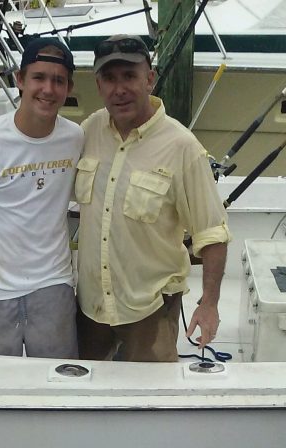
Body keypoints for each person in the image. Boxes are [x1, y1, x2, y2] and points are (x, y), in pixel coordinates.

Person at [75, 35, 230, 362]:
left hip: (150, 309)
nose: (120, 89)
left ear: (150, 79)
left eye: (129, 76)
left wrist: (210, 304)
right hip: (90, 306)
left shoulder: (182, 147)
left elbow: (212, 233)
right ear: (98, 84)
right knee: (85, 402)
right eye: (110, 78)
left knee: (150, 405)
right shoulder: (88, 131)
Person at [0, 37, 83, 357]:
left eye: (58, 81)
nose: (48, 89)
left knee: (59, 383)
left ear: (68, 88)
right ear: (20, 80)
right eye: (38, 77)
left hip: (54, 286)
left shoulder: (75, 137)